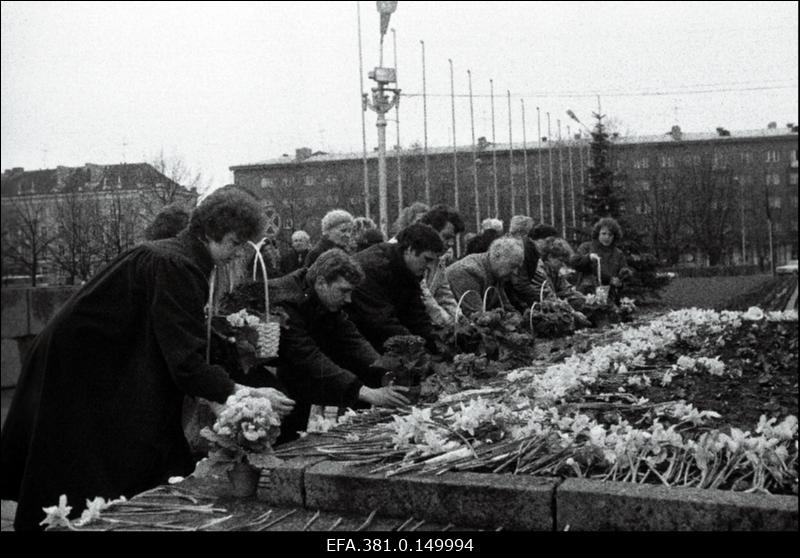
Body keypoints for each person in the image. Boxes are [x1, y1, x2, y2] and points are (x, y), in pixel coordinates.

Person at [0, 188, 295, 531]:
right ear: (212, 232)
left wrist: (223, 393)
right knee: (83, 461)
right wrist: (242, 394)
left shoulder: (171, 255)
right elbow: (184, 360)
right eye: (234, 242)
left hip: (90, 361)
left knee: (115, 457)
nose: (235, 254)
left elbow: (175, 346)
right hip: (80, 368)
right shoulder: (179, 265)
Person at [267, 248, 410, 443]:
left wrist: (383, 370)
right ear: (321, 282)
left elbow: (351, 339)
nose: (349, 299)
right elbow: (307, 356)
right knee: (284, 437)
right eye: (344, 291)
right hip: (270, 384)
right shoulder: (285, 300)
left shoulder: (322, 297)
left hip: (300, 379)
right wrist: (367, 393)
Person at [348, 222, 445, 353]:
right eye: (427, 259)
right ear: (409, 250)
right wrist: (421, 350)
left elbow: (416, 316)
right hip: (358, 341)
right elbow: (382, 322)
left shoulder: (407, 268)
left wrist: (438, 345)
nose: (429, 267)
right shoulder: (371, 268)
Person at [446, 236, 524, 316]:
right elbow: (478, 317)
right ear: (497, 255)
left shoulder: (496, 272)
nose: (515, 272)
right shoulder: (468, 271)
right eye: (513, 266)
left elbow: (505, 307)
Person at [417, 205, 466, 326]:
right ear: (430, 229)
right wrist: (450, 323)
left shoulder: (439, 258)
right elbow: (424, 297)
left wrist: (460, 318)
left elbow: (444, 295)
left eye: (453, 239)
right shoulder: (411, 253)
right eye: (447, 237)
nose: (451, 243)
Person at [570, 217, 633, 303]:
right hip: (587, 297)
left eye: (610, 235)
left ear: (614, 236)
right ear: (597, 234)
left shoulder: (618, 254)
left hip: (609, 297)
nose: (607, 237)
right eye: (604, 234)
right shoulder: (586, 247)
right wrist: (588, 258)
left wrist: (621, 280)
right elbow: (574, 262)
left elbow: (624, 274)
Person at [530, 236, 586, 310]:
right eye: (560, 261)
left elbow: (566, 289)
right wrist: (572, 312)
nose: (562, 265)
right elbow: (548, 297)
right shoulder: (539, 272)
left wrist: (584, 298)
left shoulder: (554, 271)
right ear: (550, 257)